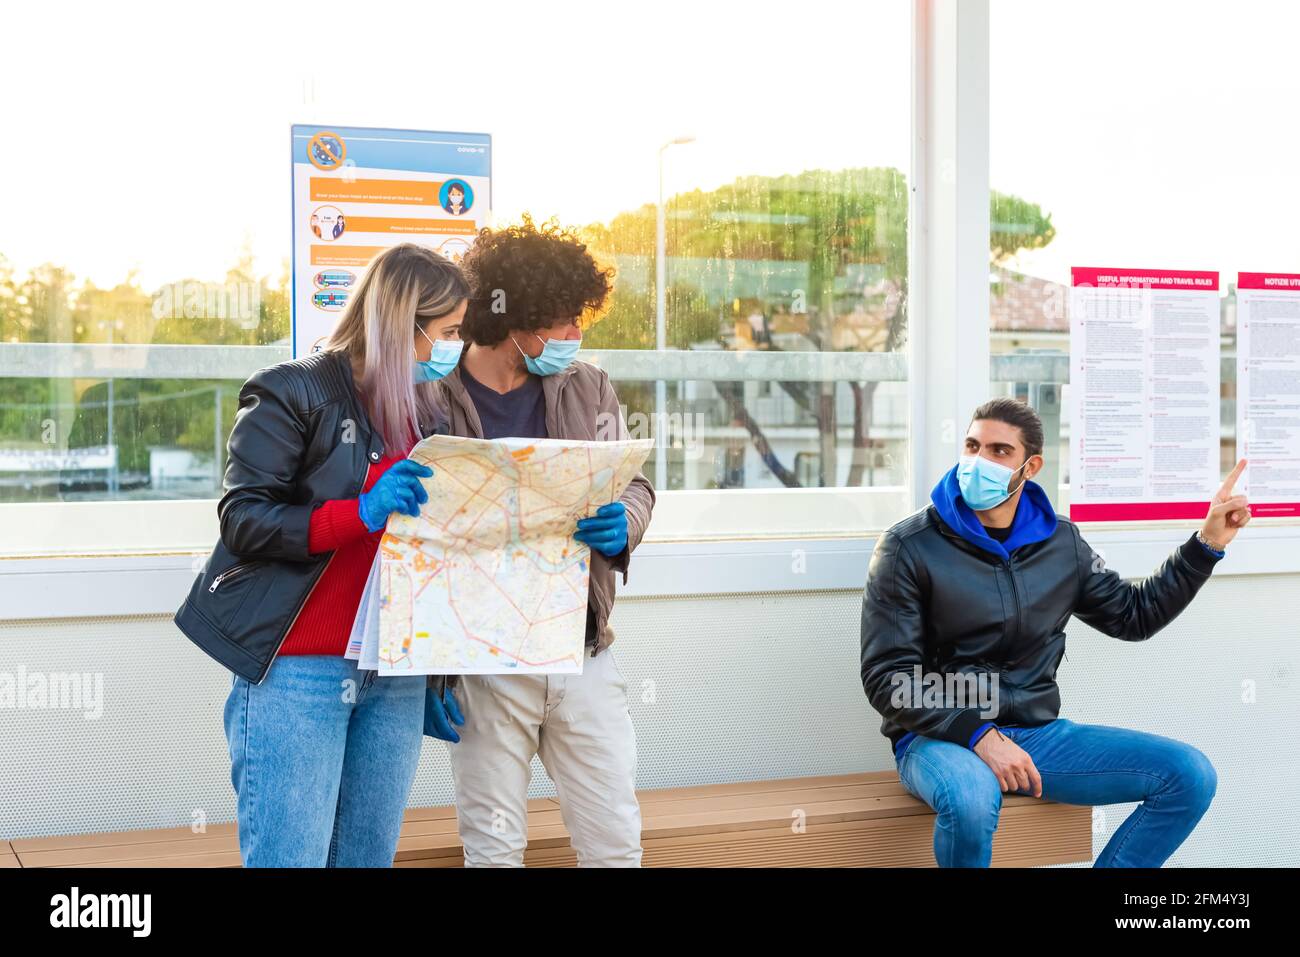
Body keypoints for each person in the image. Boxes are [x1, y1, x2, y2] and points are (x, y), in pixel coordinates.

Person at [173, 242, 470, 866]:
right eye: (447, 333)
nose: (454, 349)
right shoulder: (293, 392)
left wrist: (439, 669)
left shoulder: (429, 410)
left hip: (393, 672)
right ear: (402, 324)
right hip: (298, 670)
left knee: (367, 859)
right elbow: (244, 519)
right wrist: (358, 513)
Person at [860, 397, 1249, 867]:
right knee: (971, 794)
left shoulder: (1061, 543)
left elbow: (1134, 615)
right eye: (972, 445)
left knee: (1188, 775)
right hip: (937, 738)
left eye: (999, 451)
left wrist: (1206, 545)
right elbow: (888, 677)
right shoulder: (908, 545)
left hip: (1035, 733)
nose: (979, 461)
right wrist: (978, 734)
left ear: (1030, 466)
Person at [432, 215, 655, 867]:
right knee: (494, 849)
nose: (574, 334)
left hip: (581, 649)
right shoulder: (432, 397)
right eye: (561, 319)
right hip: (485, 662)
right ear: (514, 319)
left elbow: (634, 483)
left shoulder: (589, 386)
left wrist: (626, 522)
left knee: (615, 841)